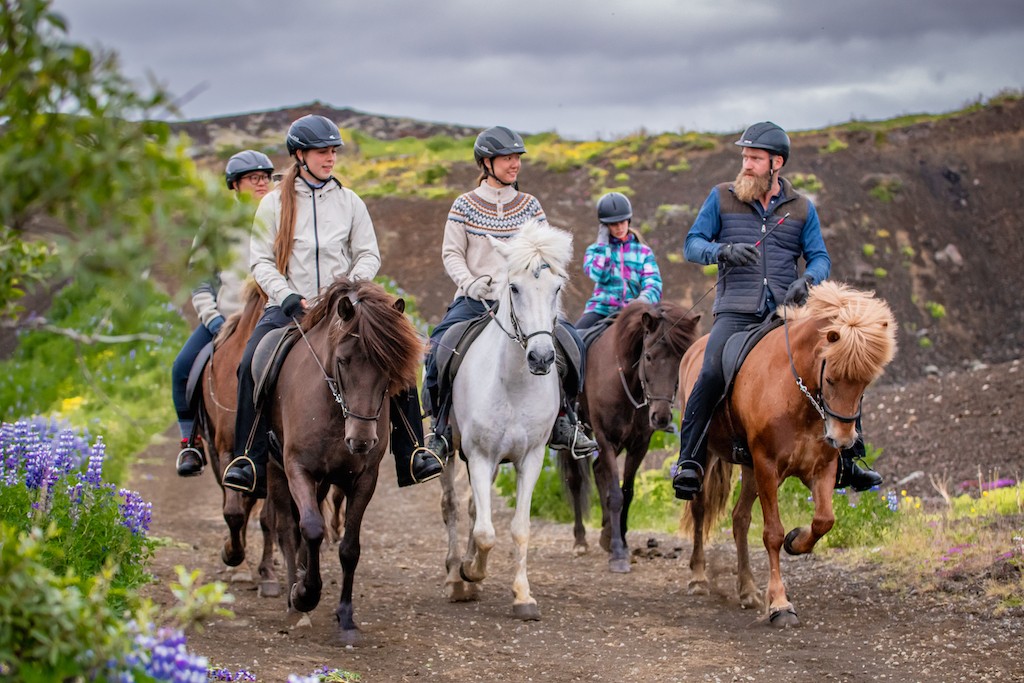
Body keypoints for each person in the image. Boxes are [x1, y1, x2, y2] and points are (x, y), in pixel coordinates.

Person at [670, 121, 882, 500]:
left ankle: (851, 462)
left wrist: (810, 280)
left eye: (754, 157)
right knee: (712, 371)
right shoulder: (721, 197)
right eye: (745, 156)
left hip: (786, 315)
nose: (746, 163)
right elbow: (692, 244)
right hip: (735, 312)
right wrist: (722, 251)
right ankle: (689, 461)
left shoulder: (802, 208)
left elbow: (819, 257)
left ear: (776, 163)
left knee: (838, 364)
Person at [412, 125, 597, 480]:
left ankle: (565, 421)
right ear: (486, 162)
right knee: (439, 348)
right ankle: (438, 432)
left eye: (517, 158)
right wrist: (471, 283)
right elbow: (451, 253)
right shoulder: (463, 205)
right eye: (508, 158)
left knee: (573, 343)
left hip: (526, 302)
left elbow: (547, 255)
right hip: (477, 298)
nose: (515, 164)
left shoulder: (531, 206)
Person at [222, 114, 381, 497]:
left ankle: (416, 449)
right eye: (322, 151)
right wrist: (286, 295)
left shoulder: (350, 202)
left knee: (394, 357)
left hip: (343, 307)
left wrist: (349, 289)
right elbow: (259, 261)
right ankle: (248, 459)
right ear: (299, 155)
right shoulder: (274, 204)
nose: (330, 158)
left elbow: (368, 255)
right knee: (250, 364)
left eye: (333, 151)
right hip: (291, 305)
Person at [170, 149, 274, 477]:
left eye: (266, 177)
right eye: (253, 178)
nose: (262, 183)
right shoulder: (217, 226)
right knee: (182, 368)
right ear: (234, 185)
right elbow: (199, 279)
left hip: (274, 316)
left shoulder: (280, 216)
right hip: (228, 319)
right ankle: (191, 443)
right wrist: (211, 317)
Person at [576, 192, 662, 330]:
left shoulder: (644, 252)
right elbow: (597, 274)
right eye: (613, 224)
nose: (619, 228)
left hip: (635, 311)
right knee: (575, 337)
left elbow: (653, 284)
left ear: (629, 221)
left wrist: (641, 301)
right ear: (605, 226)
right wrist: (603, 245)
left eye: (622, 222)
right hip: (601, 309)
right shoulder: (593, 251)